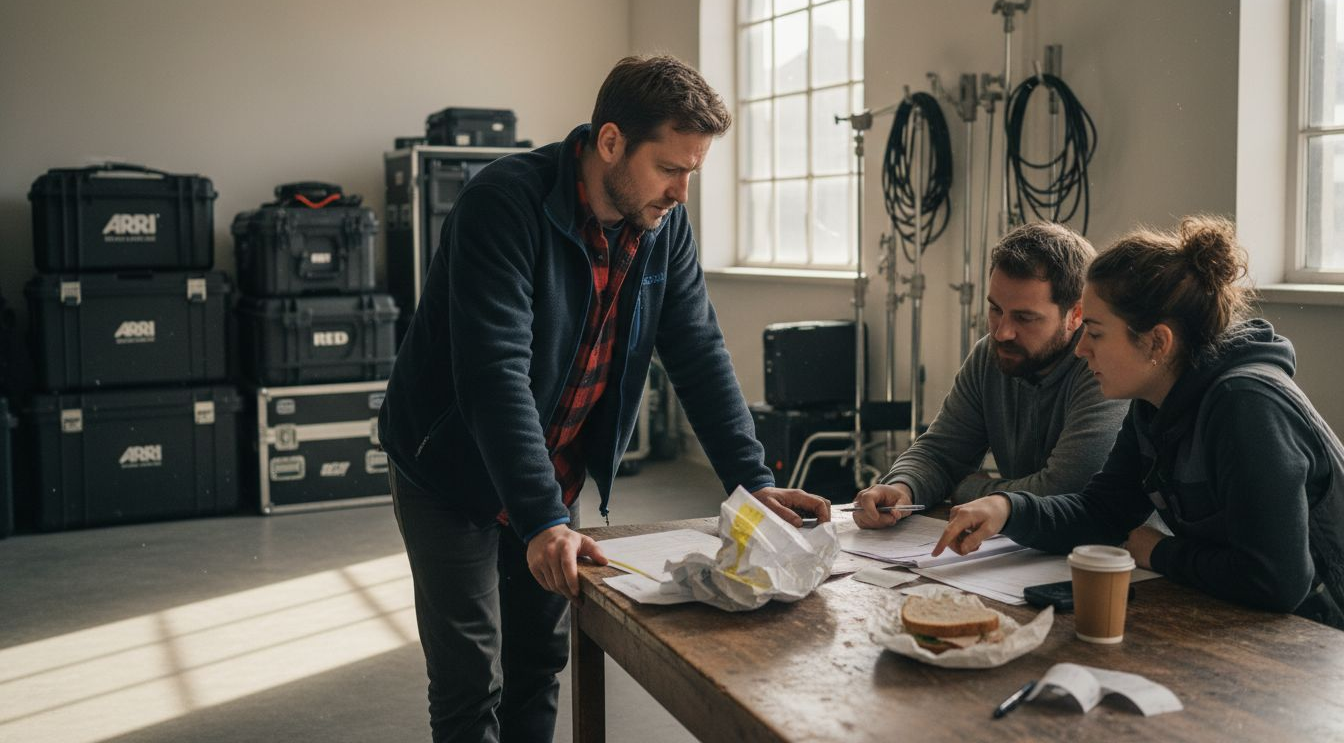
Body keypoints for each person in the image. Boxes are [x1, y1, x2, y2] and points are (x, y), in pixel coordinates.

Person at [377, 55, 832, 742]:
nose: (681, 191)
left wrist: (753, 483)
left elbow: (700, 354)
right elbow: (494, 373)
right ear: (611, 141)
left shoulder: (662, 227)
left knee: (539, 662)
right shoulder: (503, 205)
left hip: (552, 471)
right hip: (451, 468)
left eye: (692, 172)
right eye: (670, 168)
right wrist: (538, 520)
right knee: (473, 678)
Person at [933, 216, 1344, 628]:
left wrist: (1159, 552)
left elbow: (1277, 581)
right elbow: (1102, 513)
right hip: (1253, 625)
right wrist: (1007, 509)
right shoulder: (1154, 401)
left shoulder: (1245, 405)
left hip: (1323, 640)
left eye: (1094, 332)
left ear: (1156, 342)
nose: (1081, 351)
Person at [853, 222, 1128, 528]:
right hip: (1029, 553)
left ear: (1075, 315)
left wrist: (968, 489)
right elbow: (941, 453)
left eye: (1024, 317)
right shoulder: (990, 355)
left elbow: (1065, 489)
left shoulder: (1101, 365)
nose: (1002, 332)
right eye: (996, 310)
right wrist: (902, 488)